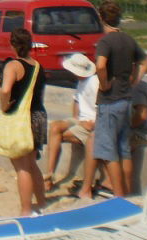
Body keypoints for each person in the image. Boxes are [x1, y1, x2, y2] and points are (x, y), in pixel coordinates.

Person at [83, 0, 147, 199]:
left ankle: (119, 198)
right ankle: (127, 193)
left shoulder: (105, 42)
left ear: (101, 18)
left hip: (110, 101)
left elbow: (101, 65)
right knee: (124, 150)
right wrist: (135, 81)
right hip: (126, 99)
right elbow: (145, 62)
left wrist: (103, 85)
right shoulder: (128, 40)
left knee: (108, 151)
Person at [0, 27, 47, 217]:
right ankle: (41, 202)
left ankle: (26, 210)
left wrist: (4, 106)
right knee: (32, 163)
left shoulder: (13, 66)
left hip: (22, 119)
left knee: (22, 167)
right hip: (38, 116)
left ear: (12, 44)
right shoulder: (37, 66)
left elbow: (5, 90)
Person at [43, 53, 98, 192]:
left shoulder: (95, 82)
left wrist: (88, 123)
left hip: (90, 122)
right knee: (55, 126)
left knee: (57, 135)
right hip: (80, 119)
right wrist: (74, 120)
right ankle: (49, 174)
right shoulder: (82, 82)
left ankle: (49, 177)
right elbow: (77, 101)